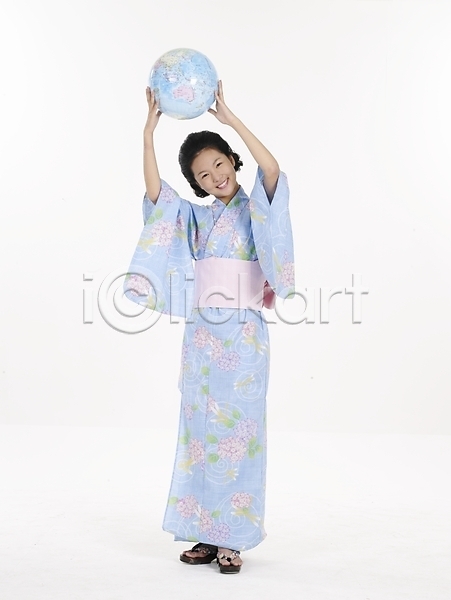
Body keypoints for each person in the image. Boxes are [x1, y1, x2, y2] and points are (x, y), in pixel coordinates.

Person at [124, 81, 295, 574]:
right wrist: (147, 136)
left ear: (232, 161)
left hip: (243, 337)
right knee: (199, 434)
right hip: (201, 338)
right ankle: (202, 532)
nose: (215, 176)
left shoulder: (256, 209)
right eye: (203, 174)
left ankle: (232, 538)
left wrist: (231, 119)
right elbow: (157, 199)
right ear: (197, 184)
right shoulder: (197, 219)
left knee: (239, 434)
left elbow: (272, 171)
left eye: (220, 164)